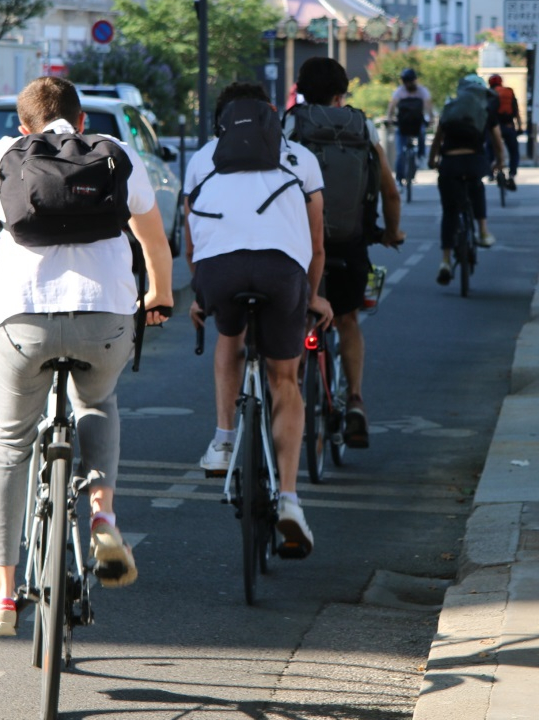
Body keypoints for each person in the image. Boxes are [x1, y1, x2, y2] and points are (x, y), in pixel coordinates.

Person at [0, 76, 174, 637]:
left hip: (22, 321)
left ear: (22, 127)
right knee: (97, 401)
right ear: (83, 120)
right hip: (106, 319)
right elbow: (154, 243)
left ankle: (1, 593)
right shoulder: (116, 155)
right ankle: (102, 513)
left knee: (10, 440)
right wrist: (158, 297)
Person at [186, 82, 332, 558]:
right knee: (284, 379)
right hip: (281, 271)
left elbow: (192, 238)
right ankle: (289, 499)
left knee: (229, 335)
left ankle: (224, 439)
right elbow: (315, 241)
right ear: (271, 116)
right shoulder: (300, 158)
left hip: (220, 273)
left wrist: (201, 295)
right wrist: (312, 297)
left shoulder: (203, 157)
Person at [286, 57, 405, 448]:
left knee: (301, 317)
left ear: (301, 90)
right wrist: (391, 231)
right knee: (349, 318)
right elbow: (389, 189)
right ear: (341, 95)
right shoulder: (361, 126)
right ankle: (354, 399)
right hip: (350, 242)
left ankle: (295, 397)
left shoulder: (289, 125)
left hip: (300, 243)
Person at [428, 74, 504, 286]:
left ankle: (445, 261)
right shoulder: (486, 110)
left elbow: (437, 139)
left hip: (450, 165)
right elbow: (497, 143)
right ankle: (483, 231)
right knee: (476, 189)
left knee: (450, 211)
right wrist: (500, 163)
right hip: (474, 162)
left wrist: (432, 160)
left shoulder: (450, 107)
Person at [385, 68, 433, 186]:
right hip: (403, 124)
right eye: (406, 81)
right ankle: (399, 178)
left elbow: (428, 106)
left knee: (422, 132)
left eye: (410, 81)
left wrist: (431, 118)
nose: (408, 84)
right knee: (400, 153)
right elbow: (392, 106)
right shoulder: (399, 92)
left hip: (417, 123)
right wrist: (389, 118)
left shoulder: (422, 91)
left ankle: (421, 156)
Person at [488, 74, 521, 191]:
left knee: (490, 148)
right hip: (508, 126)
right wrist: (520, 126)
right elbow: (516, 111)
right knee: (514, 151)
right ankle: (512, 174)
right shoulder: (509, 93)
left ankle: (490, 172)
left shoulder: (490, 93)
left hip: (493, 127)